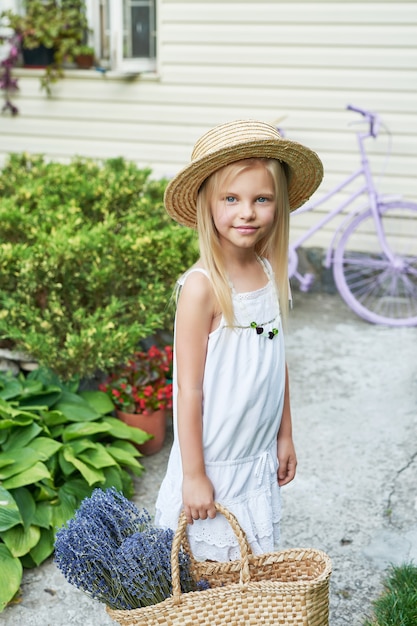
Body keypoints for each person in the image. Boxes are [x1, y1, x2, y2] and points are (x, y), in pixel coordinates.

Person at [155, 119, 323, 561]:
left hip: (255, 456)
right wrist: (194, 475)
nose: (246, 212)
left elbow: (275, 361)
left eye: (261, 199)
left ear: (278, 205)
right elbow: (187, 389)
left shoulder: (269, 271)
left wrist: (285, 435)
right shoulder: (201, 287)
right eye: (231, 198)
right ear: (208, 203)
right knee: (205, 574)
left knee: (245, 574)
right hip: (214, 462)